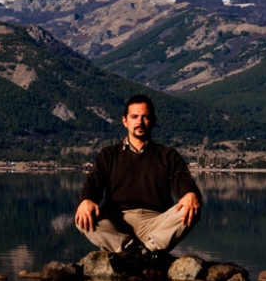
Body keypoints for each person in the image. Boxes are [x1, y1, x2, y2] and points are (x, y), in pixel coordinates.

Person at [74, 94, 202, 266]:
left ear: (153, 121)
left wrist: (190, 194)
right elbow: (93, 183)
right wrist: (86, 200)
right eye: (134, 117)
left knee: (192, 208)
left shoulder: (168, 156)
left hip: (156, 224)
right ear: (125, 121)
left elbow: (184, 184)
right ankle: (132, 250)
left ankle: (145, 250)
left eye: (145, 117)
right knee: (83, 217)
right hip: (117, 222)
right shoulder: (109, 155)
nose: (139, 122)